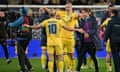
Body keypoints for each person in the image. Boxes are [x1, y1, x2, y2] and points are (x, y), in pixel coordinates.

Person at [8, 8, 34, 72]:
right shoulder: (30, 18)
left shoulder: (22, 18)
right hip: (28, 37)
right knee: (22, 53)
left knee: (21, 54)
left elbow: (14, 24)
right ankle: (29, 67)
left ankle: (23, 69)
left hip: (22, 37)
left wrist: (9, 23)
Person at [55, 2, 78, 72]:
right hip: (61, 38)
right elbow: (54, 14)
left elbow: (77, 25)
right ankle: (59, 69)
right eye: (66, 7)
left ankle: (72, 69)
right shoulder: (60, 13)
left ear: (71, 8)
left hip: (70, 38)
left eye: (69, 7)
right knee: (59, 54)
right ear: (65, 8)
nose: (67, 8)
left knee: (71, 55)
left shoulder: (74, 15)